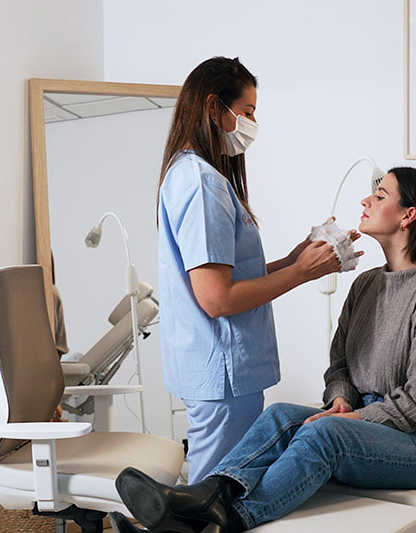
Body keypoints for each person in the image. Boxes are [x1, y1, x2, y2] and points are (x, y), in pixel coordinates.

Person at [111, 166, 416, 533]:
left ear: (409, 216)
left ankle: (220, 523)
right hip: (363, 422)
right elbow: (340, 364)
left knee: (325, 435)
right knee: (281, 414)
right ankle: (203, 497)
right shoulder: (366, 284)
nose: (365, 200)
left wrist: (352, 420)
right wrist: (342, 401)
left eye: (380, 196)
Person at [156, 56, 360, 484]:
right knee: (215, 495)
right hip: (223, 370)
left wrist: (295, 258)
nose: (252, 124)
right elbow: (216, 298)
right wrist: (302, 273)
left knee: (224, 490)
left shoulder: (199, 175)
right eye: (246, 112)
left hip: (222, 368)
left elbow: (228, 275)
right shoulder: (201, 182)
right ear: (215, 107)